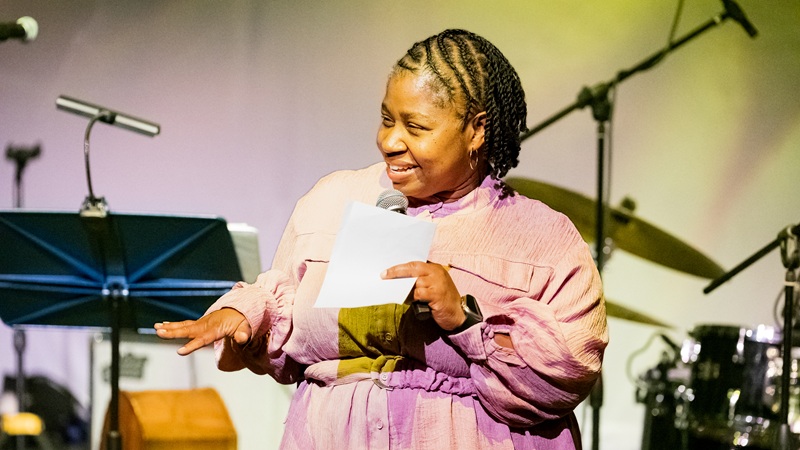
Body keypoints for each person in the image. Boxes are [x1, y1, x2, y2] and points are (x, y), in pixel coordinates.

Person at [155, 28, 607, 450]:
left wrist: (464, 320)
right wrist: (245, 315)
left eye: (416, 127)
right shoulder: (333, 199)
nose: (389, 141)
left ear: (476, 129)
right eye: (387, 119)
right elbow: (288, 311)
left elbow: (565, 375)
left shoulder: (541, 237)